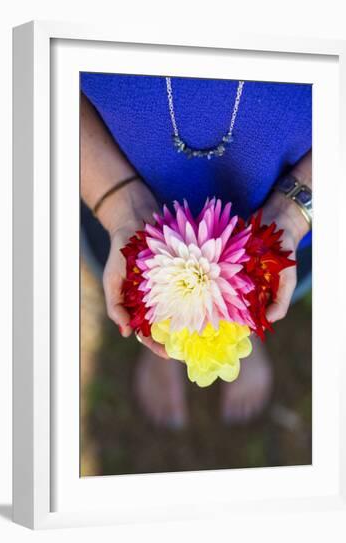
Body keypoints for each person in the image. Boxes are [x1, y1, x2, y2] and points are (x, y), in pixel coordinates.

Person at [80, 74, 312, 428]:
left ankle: (242, 334)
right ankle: (170, 343)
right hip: (118, 178)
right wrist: (118, 203)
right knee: (143, 290)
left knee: (266, 285)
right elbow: (41, 82)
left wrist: (293, 215)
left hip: (283, 198)